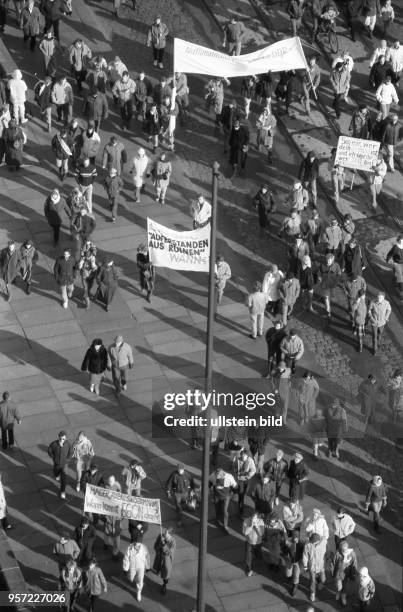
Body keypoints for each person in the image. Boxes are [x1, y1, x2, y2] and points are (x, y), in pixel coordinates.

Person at [209, 467, 237, 534]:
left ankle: (225, 525)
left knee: (224, 510)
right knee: (217, 508)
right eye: (217, 476)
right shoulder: (213, 475)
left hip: (226, 496)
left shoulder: (229, 477)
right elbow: (209, 482)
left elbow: (235, 486)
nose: (217, 478)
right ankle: (218, 520)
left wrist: (233, 494)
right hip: (217, 495)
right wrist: (210, 488)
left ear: (223, 475)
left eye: (219, 477)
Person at [316, 252, 341, 319]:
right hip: (325, 285)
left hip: (332, 285)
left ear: (332, 260)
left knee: (331, 297)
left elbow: (339, 274)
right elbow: (319, 273)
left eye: (329, 260)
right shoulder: (322, 265)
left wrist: (336, 281)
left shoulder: (336, 265)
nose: (327, 262)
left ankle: (330, 304)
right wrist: (319, 278)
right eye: (327, 260)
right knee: (326, 298)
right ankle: (328, 311)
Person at [332, 540, 358, 607]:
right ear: (340, 549)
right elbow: (333, 563)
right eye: (343, 549)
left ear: (347, 547)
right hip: (338, 573)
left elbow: (354, 564)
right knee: (338, 586)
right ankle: (338, 592)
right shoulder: (337, 554)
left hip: (347, 574)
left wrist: (354, 573)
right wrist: (332, 572)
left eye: (345, 549)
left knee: (345, 587)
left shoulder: (352, 554)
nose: (345, 551)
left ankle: (343, 597)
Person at [302, 533, 326, 603]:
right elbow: (305, 555)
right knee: (312, 580)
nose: (311, 542)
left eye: (313, 542)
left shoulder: (323, 542)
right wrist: (305, 566)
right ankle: (312, 593)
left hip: (321, 566)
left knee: (323, 579)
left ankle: (321, 583)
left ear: (318, 541)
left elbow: (325, 536)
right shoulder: (308, 545)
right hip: (312, 566)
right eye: (311, 541)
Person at [48, 431, 72, 499]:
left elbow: (71, 453)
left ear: (66, 438)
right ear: (58, 438)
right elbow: (49, 450)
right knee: (56, 473)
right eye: (60, 439)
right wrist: (53, 457)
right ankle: (57, 476)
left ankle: (62, 491)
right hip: (57, 464)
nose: (62, 440)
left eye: (63, 439)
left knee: (63, 479)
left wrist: (68, 459)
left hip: (64, 464)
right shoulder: (54, 444)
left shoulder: (68, 444)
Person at [153, 527, 176, 595]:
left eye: (167, 534)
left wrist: (164, 545)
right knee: (158, 566)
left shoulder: (173, 542)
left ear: (170, 535)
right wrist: (159, 545)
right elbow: (155, 546)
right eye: (165, 533)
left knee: (166, 572)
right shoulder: (160, 536)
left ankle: (164, 585)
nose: (165, 535)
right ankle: (158, 570)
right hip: (159, 557)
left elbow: (169, 552)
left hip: (167, 559)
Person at [102, 475, 121, 557]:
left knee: (116, 540)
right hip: (109, 523)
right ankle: (106, 544)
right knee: (106, 535)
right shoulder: (105, 487)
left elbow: (120, 495)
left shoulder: (117, 486)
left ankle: (115, 553)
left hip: (116, 524)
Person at [234, 448, 256, 517]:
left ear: (247, 456)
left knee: (244, 492)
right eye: (242, 456)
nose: (243, 457)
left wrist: (248, 476)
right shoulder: (238, 459)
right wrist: (236, 472)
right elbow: (234, 466)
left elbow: (253, 470)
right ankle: (241, 510)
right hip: (240, 479)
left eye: (244, 456)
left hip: (246, 479)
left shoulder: (250, 461)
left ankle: (242, 502)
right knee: (241, 494)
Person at [242, 511, 264, 577]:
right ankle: (249, 569)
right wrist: (251, 526)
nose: (253, 520)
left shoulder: (261, 522)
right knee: (248, 556)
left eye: (255, 518)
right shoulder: (246, 521)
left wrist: (256, 526)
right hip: (249, 542)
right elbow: (245, 532)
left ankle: (257, 558)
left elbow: (261, 534)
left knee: (258, 554)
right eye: (252, 518)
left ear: (257, 518)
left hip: (258, 543)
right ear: (250, 517)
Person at [77, 241, 97, 308]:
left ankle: (86, 294)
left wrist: (94, 267)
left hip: (91, 275)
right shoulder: (83, 257)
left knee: (90, 286)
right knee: (86, 288)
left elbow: (93, 263)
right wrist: (80, 266)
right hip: (85, 275)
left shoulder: (92, 257)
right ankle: (87, 301)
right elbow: (81, 262)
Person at [284, 530, 304, 597]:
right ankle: (289, 577)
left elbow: (304, 554)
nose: (295, 539)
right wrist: (289, 547)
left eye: (296, 537)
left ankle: (294, 586)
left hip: (298, 562)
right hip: (289, 561)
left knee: (296, 575)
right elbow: (285, 552)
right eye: (294, 537)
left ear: (298, 537)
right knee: (288, 574)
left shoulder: (301, 544)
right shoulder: (288, 542)